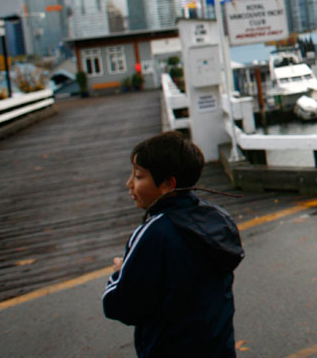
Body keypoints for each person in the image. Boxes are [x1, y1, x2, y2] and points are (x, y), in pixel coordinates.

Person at [102, 131, 244, 357]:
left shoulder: (154, 234)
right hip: (217, 347)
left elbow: (121, 306)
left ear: (168, 184)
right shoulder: (219, 219)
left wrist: (120, 273)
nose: (129, 183)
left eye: (139, 177)